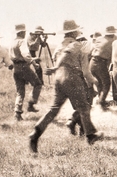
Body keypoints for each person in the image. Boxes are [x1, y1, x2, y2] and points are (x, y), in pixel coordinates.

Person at [29, 20, 103, 153]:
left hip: (58, 78)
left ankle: (35, 134)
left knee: (53, 110)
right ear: (74, 32)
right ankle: (91, 135)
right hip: (72, 78)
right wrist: (95, 81)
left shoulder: (58, 46)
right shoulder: (78, 46)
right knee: (84, 108)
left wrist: (56, 69)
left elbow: (61, 56)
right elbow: (86, 72)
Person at [9, 23, 43, 121]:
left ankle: (17, 113)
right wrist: (33, 62)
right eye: (24, 32)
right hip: (24, 67)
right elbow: (25, 54)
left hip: (16, 68)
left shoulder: (12, 42)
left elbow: (14, 56)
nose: (25, 34)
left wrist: (32, 59)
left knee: (20, 92)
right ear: (22, 32)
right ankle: (31, 104)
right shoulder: (21, 42)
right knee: (37, 84)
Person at [88, 25, 117, 111]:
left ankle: (100, 101)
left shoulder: (98, 39)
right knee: (106, 84)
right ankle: (101, 103)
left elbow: (91, 51)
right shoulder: (114, 40)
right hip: (101, 63)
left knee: (99, 83)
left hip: (92, 62)